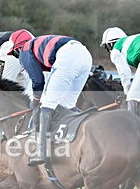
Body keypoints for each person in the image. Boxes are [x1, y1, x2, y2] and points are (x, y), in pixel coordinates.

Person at [9, 29, 93, 166]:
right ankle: (83, 138)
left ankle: (42, 152)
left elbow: (38, 81)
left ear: (17, 48)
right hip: (85, 55)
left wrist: (36, 100)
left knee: (47, 105)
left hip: (68, 56)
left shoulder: (25, 50)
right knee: (67, 105)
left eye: (14, 54)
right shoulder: (38, 45)